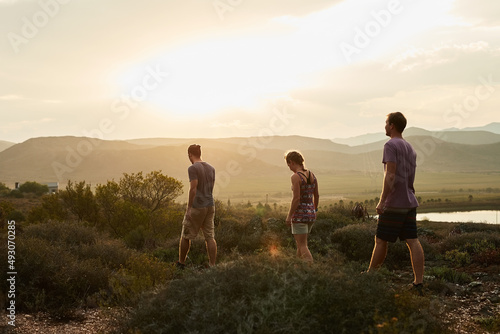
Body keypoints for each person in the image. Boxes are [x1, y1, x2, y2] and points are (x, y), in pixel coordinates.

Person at [367, 112, 425, 294]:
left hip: (394, 202)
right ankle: (418, 283)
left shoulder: (390, 145)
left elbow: (390, 174)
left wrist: (383, 200)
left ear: (392, 125)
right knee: (413, 241)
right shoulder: (410, 147)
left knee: (380, 240)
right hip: (409, 201)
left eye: (386, 123)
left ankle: (369, 277)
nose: (385, 126)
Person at [177, 144, 217, 268]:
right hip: (210, 205)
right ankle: (212, 266)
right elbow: (211, 187)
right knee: (210, 237)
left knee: (185, 236)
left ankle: (181, 264)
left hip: (197, 206)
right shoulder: (211, 168)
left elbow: (193, 189)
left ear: (190, 154)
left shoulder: (193, 168)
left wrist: (189, 209)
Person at [285, 151, 319, 262]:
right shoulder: (312, 175)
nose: (289, 167)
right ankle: (297, 268)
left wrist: (289, 216)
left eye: (288, 164)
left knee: (303, 246)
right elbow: (316, 195)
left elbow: (296, 199)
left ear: (292, 162)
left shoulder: (295, 177)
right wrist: (315, 210)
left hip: (300, 216)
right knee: (300, 245)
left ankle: (312, 270)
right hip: (311, 215)